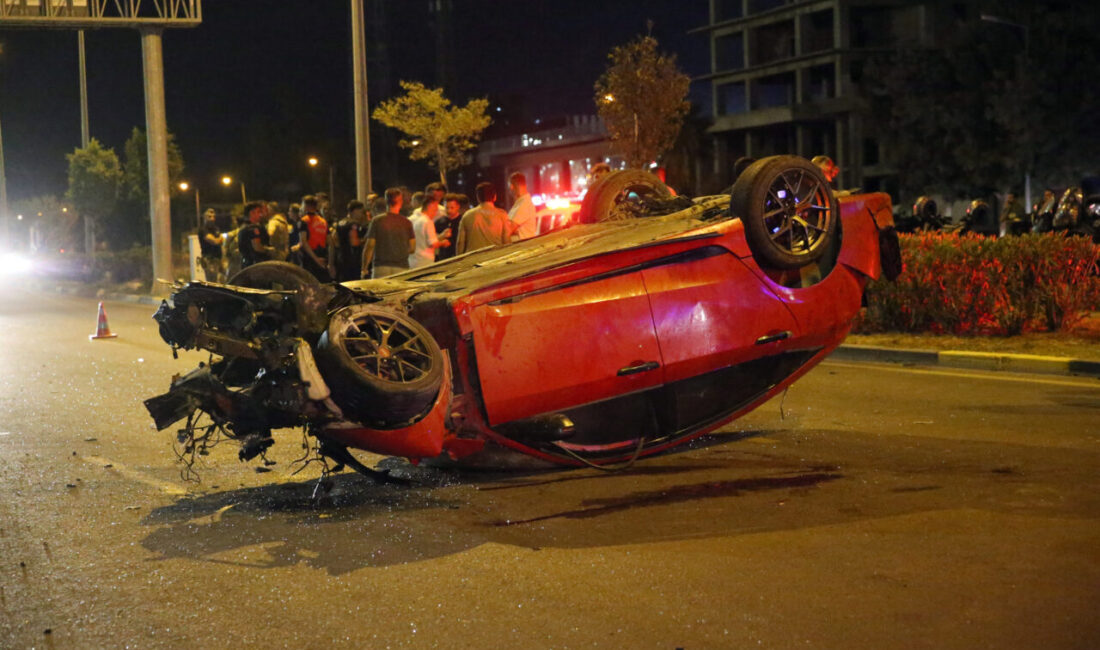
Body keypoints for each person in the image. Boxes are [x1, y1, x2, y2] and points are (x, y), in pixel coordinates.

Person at [362, 187, 415, 278]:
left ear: (386, 201)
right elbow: (412, 248)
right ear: (400, 202)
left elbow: (370, 245)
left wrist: (364, 268)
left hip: (381, 267)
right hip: (402, 267)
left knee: (379, 291)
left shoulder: (377, 221)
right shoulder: (407, 222)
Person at [456, 182, 510, 255]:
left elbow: (460, 243)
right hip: (496, 257)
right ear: (494, 196)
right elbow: (507, 241)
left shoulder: (467, 215)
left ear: (478, 197)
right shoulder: (502, 215)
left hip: (473, 260)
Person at [329, 199, 371, 282]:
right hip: (353, 262)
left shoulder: (339, 224)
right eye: (360, 212)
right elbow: (354, 242)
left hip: (340, 261)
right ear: (355, 211)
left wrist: (331, 264)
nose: (361, 215)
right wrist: (365, 240)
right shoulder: (354, 224)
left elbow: (333, 242)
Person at [408, 193, 451, 269]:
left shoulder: (411, 219)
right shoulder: (427, 221)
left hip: (411, 260)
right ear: (430, 206)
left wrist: (441, 235)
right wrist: (443, 243)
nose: (435, 212)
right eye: (435, 209)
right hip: (424, 261)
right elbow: (432, 244)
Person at [297, 195, 331, 281]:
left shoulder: (304, 221)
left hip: (309, 259)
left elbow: (304, 242)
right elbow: (330, 243)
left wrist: (316, 259)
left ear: (306, 206)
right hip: (323, 258)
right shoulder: (323, 221)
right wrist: (330, 263)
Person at [238, 201, 275, 269]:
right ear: (252, 213)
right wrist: (269, 250)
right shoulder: (252, 228)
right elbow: (257, 246)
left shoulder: (244, 227)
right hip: (256, 266)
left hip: (248, 265)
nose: (260, 215)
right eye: (258, 212)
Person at [434, 193, 466, 260]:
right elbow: (432, 239)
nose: (449, 210)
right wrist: (441, 237)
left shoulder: (463, 221)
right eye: (447, 207)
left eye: (452, 208)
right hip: (443, 258)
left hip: (460, 257)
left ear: (458, 206)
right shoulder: (439, 222)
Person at [507, 172, 537, 240]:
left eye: (510, 186)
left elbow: (509, 229)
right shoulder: (520, 203)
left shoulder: (525, 204)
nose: (510, 189)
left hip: (523, 247)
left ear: (512, 186)